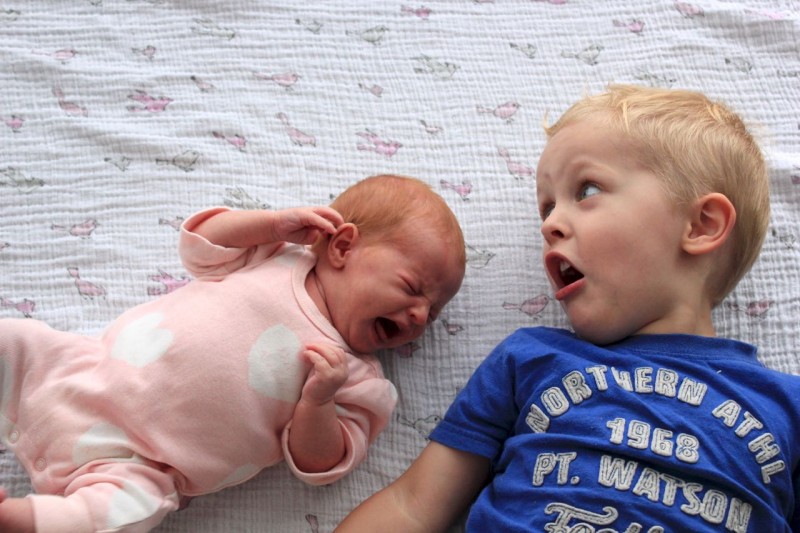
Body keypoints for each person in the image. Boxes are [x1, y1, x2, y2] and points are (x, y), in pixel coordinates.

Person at [336, 86, 800, 532]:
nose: (552, 223)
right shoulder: (529, 359)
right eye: (546, 209)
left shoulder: (785, 407)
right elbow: (413, 505)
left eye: (587, 190)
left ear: (701, 225)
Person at [0, 174, 466, 532]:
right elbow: (200, 243)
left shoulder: (359, 382)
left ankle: (18, 519)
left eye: (434, 311)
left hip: (143, 464)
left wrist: (318, 402)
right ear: (342, 246)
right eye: (412, 288)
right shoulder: (274, 256)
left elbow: (321, 465)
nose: (420, 317)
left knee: (123, 513)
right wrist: (269, 223)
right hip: (80, 371)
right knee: (16, 340)